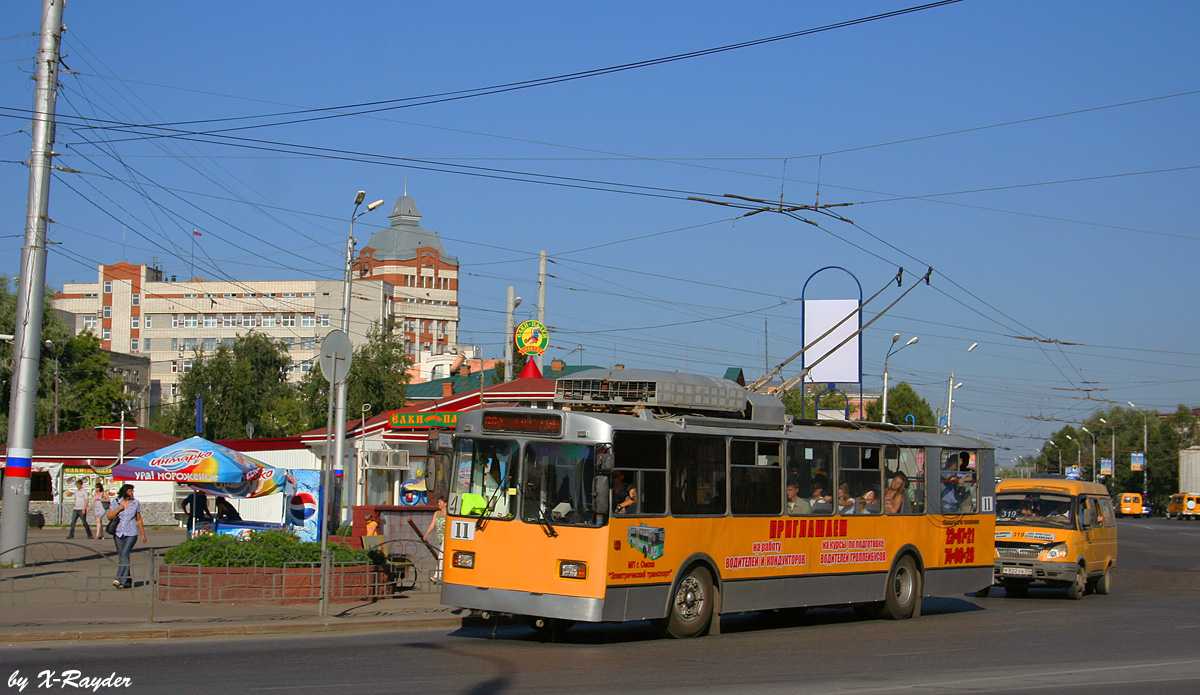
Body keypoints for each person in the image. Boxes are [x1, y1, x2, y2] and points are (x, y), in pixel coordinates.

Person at [106, 483, 146, 589]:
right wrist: (118, 509)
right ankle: (127, 581)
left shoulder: (135, 503)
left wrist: (143, 533)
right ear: (124, 492)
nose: (132, 493)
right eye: (130, 491)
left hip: (131, 533)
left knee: (124, 554)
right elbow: (109, 516)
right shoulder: (116, 502)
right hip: (119, 532)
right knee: (123, 556)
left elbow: (138, 518)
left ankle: (119, 579)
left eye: (132, 491)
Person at [422, 497, 448, 583]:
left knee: (441, 556)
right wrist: (426, 534)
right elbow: (432, 525)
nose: (438, 504)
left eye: (440, 502)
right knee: (445, 557)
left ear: (445, 504)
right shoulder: (436, 513)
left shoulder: (448, 514)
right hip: (440, 538)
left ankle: (437, 576)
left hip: (447, 538)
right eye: (438, 502)